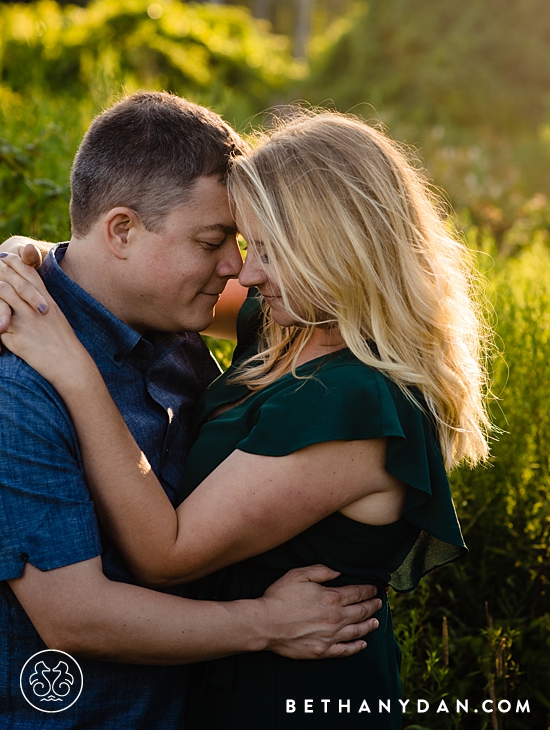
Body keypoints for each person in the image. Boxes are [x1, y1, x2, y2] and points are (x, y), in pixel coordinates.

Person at [0, 110, 489, 729]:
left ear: (333, 251)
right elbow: (114, 267)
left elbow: (165, 555)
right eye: (228, 243)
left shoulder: (348, 399)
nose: (242, 271)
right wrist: (26, 260)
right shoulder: (285, 327)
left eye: (261, 248)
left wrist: (74, 370)